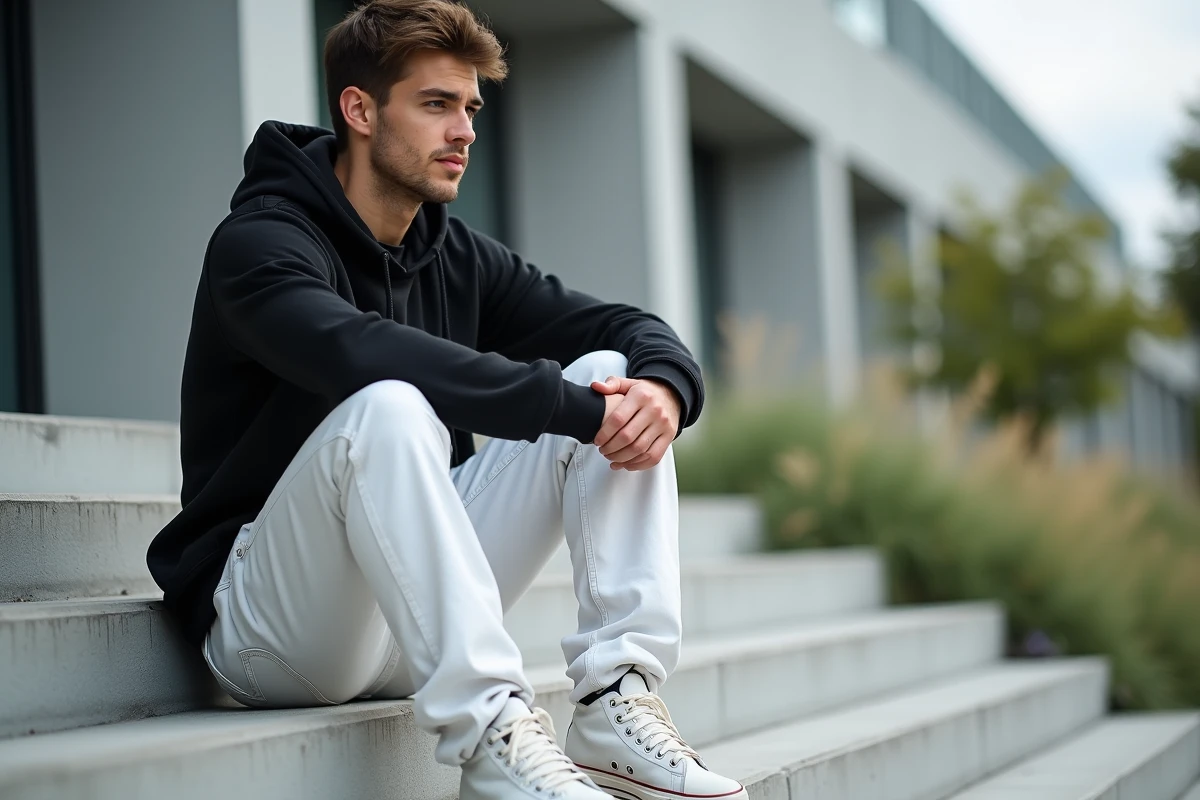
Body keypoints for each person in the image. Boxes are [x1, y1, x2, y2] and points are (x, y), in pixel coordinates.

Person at [147, 1, 746, 798]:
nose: (463, 130)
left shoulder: (450, 251)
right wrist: (571, 410)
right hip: (274, 628)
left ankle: (612, 701)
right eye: (436, 105)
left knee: (607, 367)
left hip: (407, 616)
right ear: (359, 109)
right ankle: (493, 738)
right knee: (387, 405)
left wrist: (668, 387)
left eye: (469, 108)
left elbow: (621, 325)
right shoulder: (260, 244)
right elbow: (357, 351)